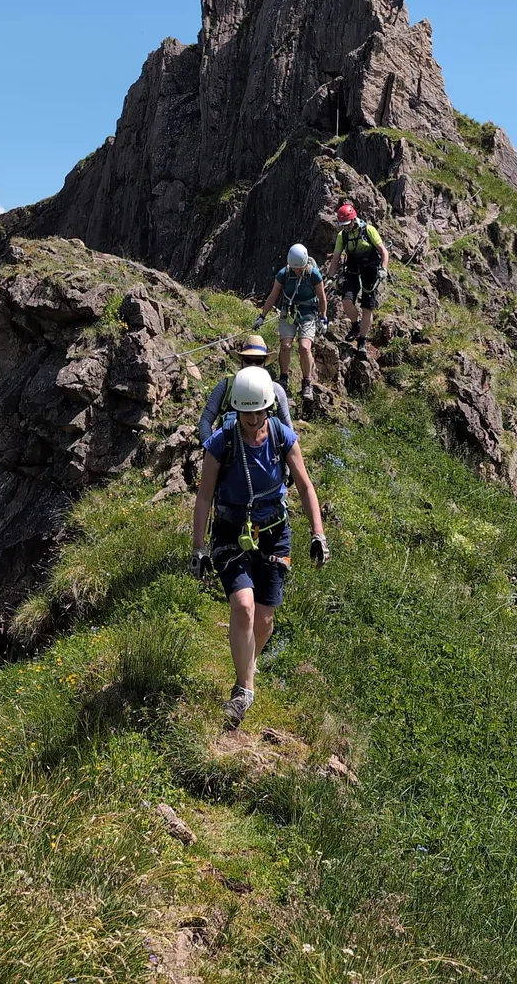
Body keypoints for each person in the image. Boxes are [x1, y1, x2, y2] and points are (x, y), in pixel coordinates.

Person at [192, 366, 329, 729]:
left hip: (273, 533)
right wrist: (198, 548)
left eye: (258, 413)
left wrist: (318, 534)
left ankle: (244, 672)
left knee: (265, 620)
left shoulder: (282, 436)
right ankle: (245, 692)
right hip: (231, 531)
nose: (252, 421)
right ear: (236, 409)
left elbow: (305, 485)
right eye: (245, 413)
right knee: (244, 605)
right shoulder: (222, 441)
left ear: (269, 407)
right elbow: (204, 496)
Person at [255, 244, 328, 399]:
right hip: (289, 311)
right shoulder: (284, 274)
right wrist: (262, 316)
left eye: (299, 268)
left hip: (308, 313)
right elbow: (273, 295)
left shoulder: (313, 274)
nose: (297, 271)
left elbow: (322, 298)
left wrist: (323, 317)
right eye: (295, 268)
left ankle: (307, 382)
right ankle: (284, 378)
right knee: (285, 345)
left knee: (304, 348)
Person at [197, 333, 293, 443]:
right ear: (242, 361)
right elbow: (206, 420)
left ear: (264, 363)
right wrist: (210, 448)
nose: (253, 364)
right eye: (248, 360)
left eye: (258, 361)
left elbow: (287, 426)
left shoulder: (276, 390)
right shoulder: (226, 386)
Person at [328, 202, 390, 354]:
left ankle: (362, 340)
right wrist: (330, 277)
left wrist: (384, 269)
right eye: (343, 225)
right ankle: (355, 325)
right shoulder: (342, 236)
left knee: (367, 307)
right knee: (347, 301)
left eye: (347, 224)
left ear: (354, 219)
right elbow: (336, 257)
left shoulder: (368, 230)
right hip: (353, 271)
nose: (345, 227)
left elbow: (384, 252)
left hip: (370, 271)